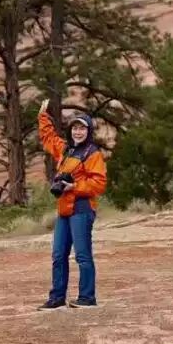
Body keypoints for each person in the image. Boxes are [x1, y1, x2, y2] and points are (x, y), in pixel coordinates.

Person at [36, 98, 108, 310]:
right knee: (58, 255)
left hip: (82, 208)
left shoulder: (93, 153)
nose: (78, 132)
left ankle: (87, 298)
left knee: (83, 255)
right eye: (75, 128)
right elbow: (49, 138)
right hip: (64, 209)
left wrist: (73, 186)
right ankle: (57, 298)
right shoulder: (66, 150)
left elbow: (99, 183)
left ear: (88, 131)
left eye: (82, 129)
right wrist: (42, 117)